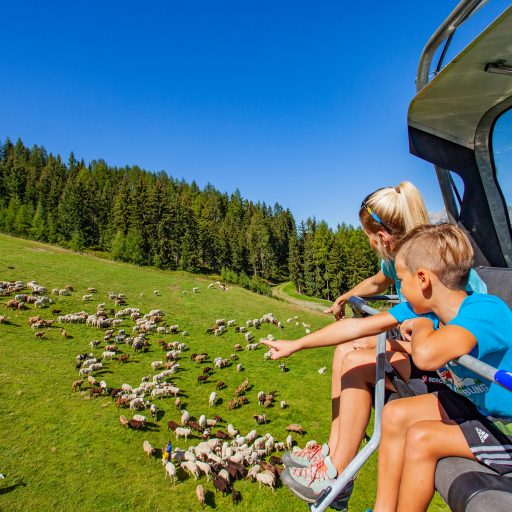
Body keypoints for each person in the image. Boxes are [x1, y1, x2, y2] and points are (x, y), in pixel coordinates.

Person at [264, 183, 486, 509]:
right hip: (431, 345)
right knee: (345, 350)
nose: (399, 288)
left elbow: (431, 341)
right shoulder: (417, 265)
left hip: (447, 361)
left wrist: (414, 330)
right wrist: (337, 306)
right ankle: (335, 456)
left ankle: (338, 472)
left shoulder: (426, 284)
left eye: (368, 236)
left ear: (382, 237)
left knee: (355, 360)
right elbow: (377, 289)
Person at [371, 224, 512, 512]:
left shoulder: (486, 311)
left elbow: (426, 356)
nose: (401, 291)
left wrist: (422, 326)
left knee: (422, 439)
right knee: (396, 413)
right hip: (477, 405)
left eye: (401, 281)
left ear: (422, 279)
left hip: (505, 425)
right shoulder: (444, 313)